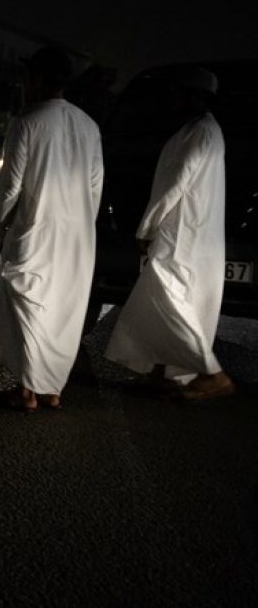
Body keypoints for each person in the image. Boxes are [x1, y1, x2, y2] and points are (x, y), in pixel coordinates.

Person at [0, 46, 104, 411]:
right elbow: (96, 185)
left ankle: (26, 390)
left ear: (37, 78)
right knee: (60, 308)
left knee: (28, 305)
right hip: (78, 236)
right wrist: (83, 223)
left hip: (34, 230)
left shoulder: (28, 122)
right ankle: (51, 388)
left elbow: (10, 187)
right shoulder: (89, 125)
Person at [105, 67, 233, 400]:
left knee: (169, 300)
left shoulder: (200, 132)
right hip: (185, 232)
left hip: (180, 233)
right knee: (157, 302)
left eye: (181, 94)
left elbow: (177, 183)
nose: (175, 100)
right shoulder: (198, 129)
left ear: (196, 96)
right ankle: (159, 372)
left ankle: (212, 373)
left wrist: (147, 226)